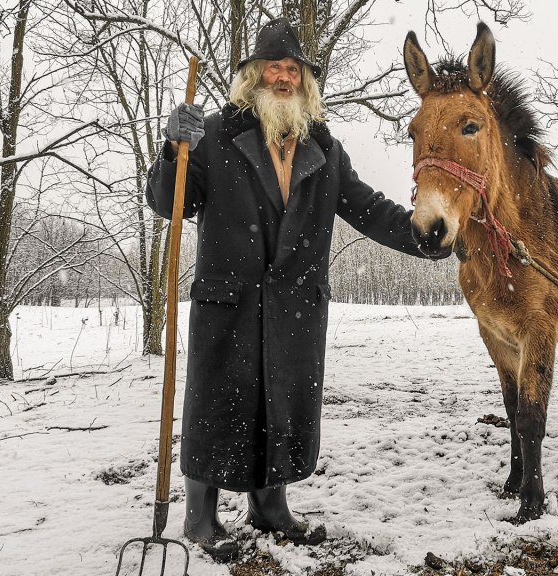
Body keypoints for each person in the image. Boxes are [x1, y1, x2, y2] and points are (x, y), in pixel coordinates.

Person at [146, 18, 434, 560]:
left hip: (295, 305)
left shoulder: (323, 146)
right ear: (253, 75)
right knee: (217, 405)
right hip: (228, 302)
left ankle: (270, 506)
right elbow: (170, 203)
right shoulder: (213, 135)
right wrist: (171, 149)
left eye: (293, 68)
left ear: (305, 80)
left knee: (281, 405)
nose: (283, 76)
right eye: (273, 66)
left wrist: (424, 236)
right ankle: (200, 517)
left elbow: (367, 208)